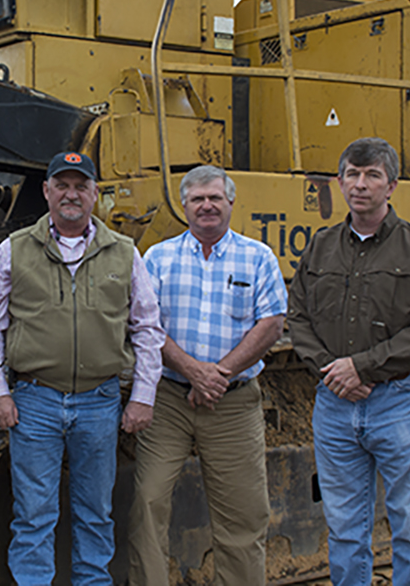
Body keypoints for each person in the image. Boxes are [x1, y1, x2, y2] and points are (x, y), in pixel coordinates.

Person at [0, 151, 164, 584]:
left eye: (81, 186)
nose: (71, 194)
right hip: (35, 401)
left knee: (96, 514)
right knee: (34, 515)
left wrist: (142, 396)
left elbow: (148, 329)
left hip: (99, 403)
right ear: (46, 192)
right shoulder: (15, 249)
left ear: (95, 194)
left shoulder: (124, 253)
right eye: (62, 185)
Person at [288, 137, 410, 585]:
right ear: (340, 183)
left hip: (399, 402)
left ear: (391, 185)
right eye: (352, 175)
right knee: (343, 531)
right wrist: (331, 369)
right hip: (335, 406)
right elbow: (297, 317)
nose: (361, 185)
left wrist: (362, 367)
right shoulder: (319, 248)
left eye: (372, 175)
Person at [129, 165, 286, 586]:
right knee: (147, 503)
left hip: (232, 403)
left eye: (215, 197)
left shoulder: (257, 257)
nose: (207, 206)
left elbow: (271, 323)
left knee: (243, 514)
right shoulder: (158, 257)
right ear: (184, 206)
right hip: (168, 401)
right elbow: (145, 325)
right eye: (198, 199)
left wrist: (218, 374)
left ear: (231, 202)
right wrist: (193, 371)